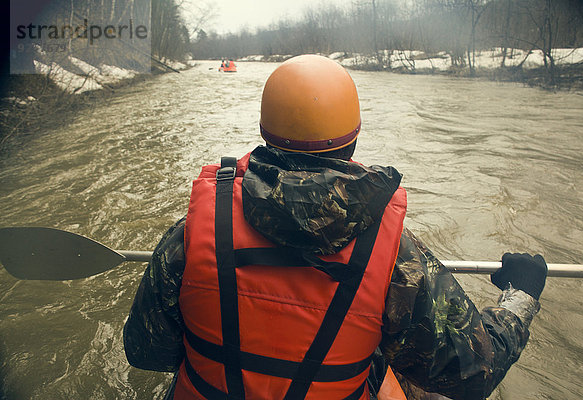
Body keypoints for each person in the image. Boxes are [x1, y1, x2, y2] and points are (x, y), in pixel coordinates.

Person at [123, 54, 548, 400]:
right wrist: (521, 297)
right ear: (355, 137)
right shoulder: (398, 257)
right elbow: (472, 372)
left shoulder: (191, 233)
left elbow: (146, 350)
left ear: (263, 132)